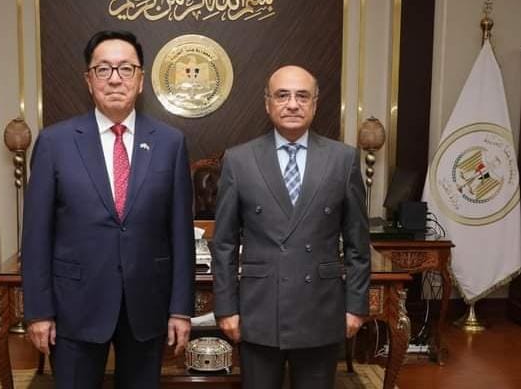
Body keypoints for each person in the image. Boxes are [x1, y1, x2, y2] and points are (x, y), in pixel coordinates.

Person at [21, 30, 195, 389]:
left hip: (146, 307)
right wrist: (38, 311)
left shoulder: (170, 143)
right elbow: (36, 235)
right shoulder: (55, 142)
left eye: (126, 68)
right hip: (74, 307)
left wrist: (180, 308)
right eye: (103, 69)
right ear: (89, 80)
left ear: (141, 80)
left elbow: (180, 234)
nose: (115, 79)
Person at [211, 65, 370, 389]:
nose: (293, 104)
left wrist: (356, 306)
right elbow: (224, 243)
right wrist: (226, 308)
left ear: (315, 103)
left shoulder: (343, 159)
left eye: (302, 96)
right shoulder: (239, 160)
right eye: (282, 95)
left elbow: (357, 243)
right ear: (267, 103)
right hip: (259, 310)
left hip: (321, 309)